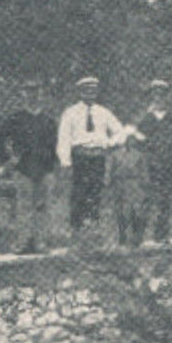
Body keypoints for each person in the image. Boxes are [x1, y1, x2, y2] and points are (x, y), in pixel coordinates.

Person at [0, 79, 59, 254]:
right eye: (29, 92)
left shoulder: (49, 120)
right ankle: (23, 243)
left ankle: (40, 242)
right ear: (23, 95)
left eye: (36, 92)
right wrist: (8, 160)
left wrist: (53, 164)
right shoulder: (16, 118)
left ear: (42, 95)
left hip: (44, 169)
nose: (33, 96)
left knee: (42, 207)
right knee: (24, 207)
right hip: (24, 168)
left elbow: (58, 144)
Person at [56, 76, 124, 233]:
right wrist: (65, 162)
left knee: (95, 191)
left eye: (93, 91)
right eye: (86, 91)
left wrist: (108, 143)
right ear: (80, 93)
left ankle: (93, 226)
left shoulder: (103, 112)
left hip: (97, 157)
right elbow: (64, 138)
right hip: (80, 156)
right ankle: (76, 227)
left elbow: (120, 131)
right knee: (79, 192)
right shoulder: (71, 112)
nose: (90, 94)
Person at [135, 78, 172, 244]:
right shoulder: (145, 119)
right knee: (145, 200)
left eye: (162, 95)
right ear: (151, 97)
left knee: (165, 201)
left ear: (167, 97)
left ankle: (161, 234)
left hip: (168, 165)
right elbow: (138, 142)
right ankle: (138, 235)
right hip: (149, 166)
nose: (159, 98)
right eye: (155, 95)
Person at [109, 126, 150, 247]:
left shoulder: (139, 155)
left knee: (137, 211)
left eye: (133, 139)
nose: (131, 142)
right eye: (129, 139)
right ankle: (122, 236)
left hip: (135, 184)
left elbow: (144, 171)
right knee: (121, 211)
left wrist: (145, 184)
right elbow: (110, 171)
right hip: (120, 184)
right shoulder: (114, 155)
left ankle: (137, 236)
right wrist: (108, 183)